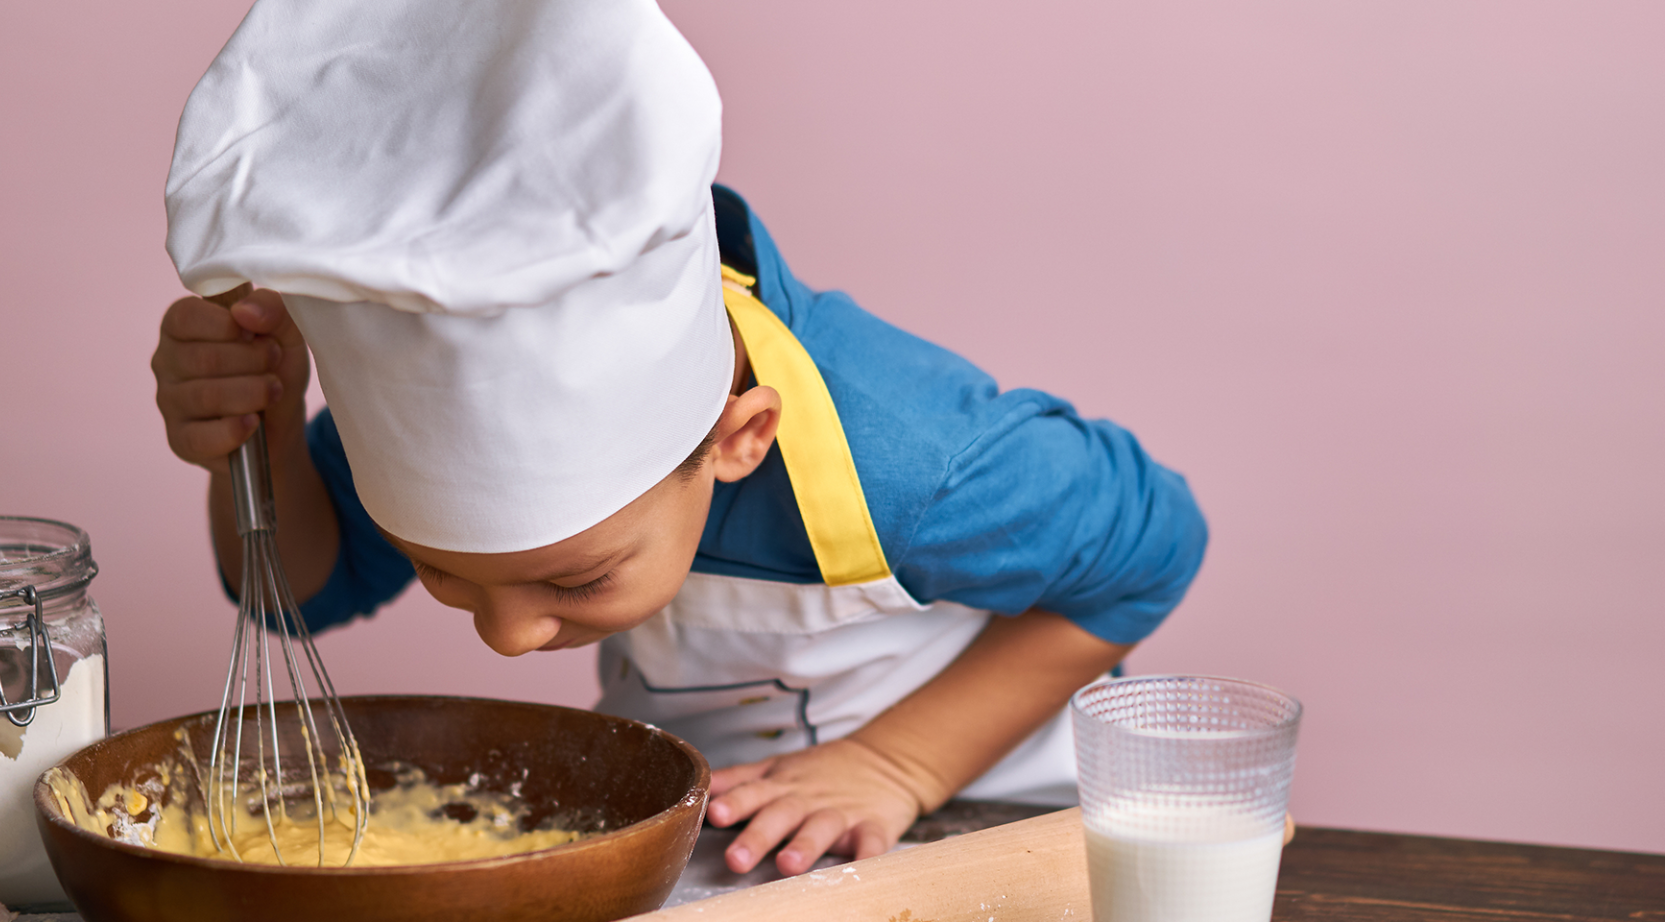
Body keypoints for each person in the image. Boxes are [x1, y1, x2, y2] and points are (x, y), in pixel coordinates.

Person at [149, 0, 1206, 877]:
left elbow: (1157, 547)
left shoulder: (913, 464)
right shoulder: (452, 432)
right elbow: (299, 592)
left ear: (739, 437)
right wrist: (262, 434)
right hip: (748, 845)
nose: (506, 640)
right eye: (448, 577)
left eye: (575, 577)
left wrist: (897, 764)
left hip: (999, 830)